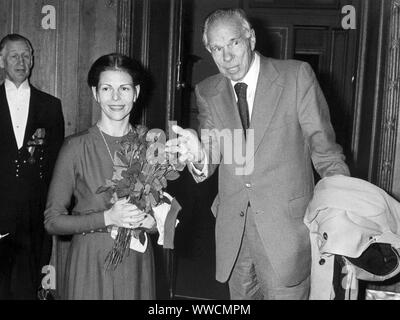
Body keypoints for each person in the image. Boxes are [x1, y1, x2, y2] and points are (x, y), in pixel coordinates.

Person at [166, 8, 350, 299]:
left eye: (234, 43)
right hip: (234, 235)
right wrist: (199, 154)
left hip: (286, 232)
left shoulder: (296, 77)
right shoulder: (207, 91)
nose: (226, 57)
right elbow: (212, 154)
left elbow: (325, 152)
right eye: (216, 48)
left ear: (250, 38)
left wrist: (343, 212)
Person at [44, 53, 179, 300]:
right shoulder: (75, 147)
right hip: (90, 265)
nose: (116, 97)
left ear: (136, 92)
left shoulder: (153, 143)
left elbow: (166, 216)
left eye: (124, 88)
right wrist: (107, 217)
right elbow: (53, 221)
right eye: (107, 88)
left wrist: (153, 225)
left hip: (137, 263)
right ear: (95, 93)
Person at [0, 34, 64, 299]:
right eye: (14, 55)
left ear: (33, 60)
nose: (21, 61)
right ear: (1, 60)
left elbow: (56, 163)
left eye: (26, 55)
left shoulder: (50, 105)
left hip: (33, 214)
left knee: (27, 287)